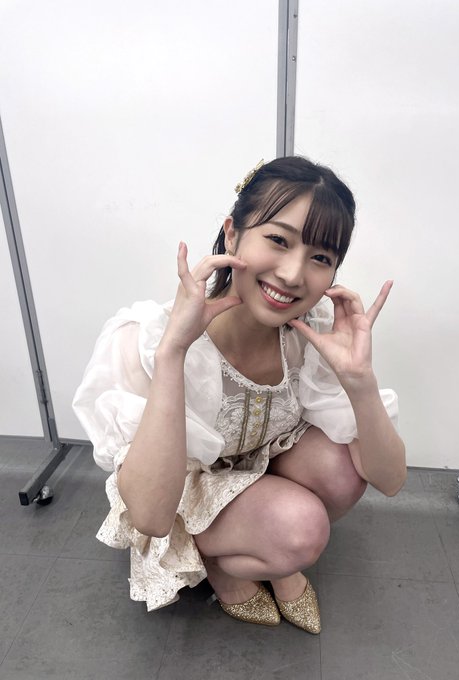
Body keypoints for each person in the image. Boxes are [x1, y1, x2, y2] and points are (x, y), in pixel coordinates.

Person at [72, 156, 406, 634]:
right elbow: (150, 516)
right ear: (232, 234)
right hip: (175, 492)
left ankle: (266, 549)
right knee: (303, 530)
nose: (293, 274)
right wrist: (173, 353)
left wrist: (360, 380)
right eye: (278, 240)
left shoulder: (311, 333)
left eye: (320, 258)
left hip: (256, 467)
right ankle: (222, 566)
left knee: (343, 470)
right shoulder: (149, 339)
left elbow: (389, 480)